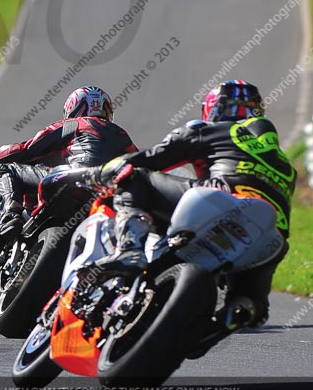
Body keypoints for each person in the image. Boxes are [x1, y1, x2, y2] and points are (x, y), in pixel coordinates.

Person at [86, 80, 296, 327]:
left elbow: (151, 159)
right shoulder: (286, 166)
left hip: (222, 201)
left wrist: (101, 171)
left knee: (136, 177)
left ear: (213, 108)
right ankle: (242, 309)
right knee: (250, 307)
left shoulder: (208, 129)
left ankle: (129, 249)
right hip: (271, 240)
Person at [0, 85, 137, 242]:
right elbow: (138, 163)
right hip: (106, 193)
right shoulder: (120, 133)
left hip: (74, 179)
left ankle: (10, 219)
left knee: (6, 170)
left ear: (73, 107)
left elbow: (26, 150)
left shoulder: (74, 123)